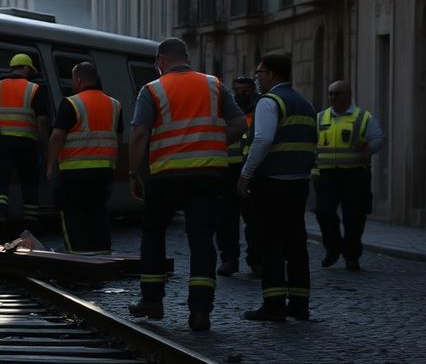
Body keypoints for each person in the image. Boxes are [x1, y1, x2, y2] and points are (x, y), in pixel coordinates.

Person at [126, 38, 246, 332]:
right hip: (208, 175)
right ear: (186, 57)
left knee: (153, 234)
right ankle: (201, 311)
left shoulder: (152, 89)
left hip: (166, 175)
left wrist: (133, 172)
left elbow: (140, 134)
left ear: (161, 61)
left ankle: (152, 300)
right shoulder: (213, 85)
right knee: (202, 240)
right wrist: (215, 143)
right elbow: (241, 124)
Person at [237, 54, 318, 321]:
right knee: (296, 243)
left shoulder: (269, 102)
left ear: (272, 74)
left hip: (271, 182)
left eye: (259, 72)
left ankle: (273, 305)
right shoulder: (305, 104)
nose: (257, 77)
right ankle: (299, 304)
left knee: (269, 242)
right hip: (298, 183)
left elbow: (262, 140)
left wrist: (245, 175)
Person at [45, 62, 122, 254]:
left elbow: (56, 137)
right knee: (99, 211)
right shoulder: (115, 105)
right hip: (104, 171)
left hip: (74, 171)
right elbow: (118, 138)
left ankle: (78, 256)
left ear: (78, 79)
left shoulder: (71, 103)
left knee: (73, 214)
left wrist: (50, 165)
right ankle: (103, 253)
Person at [0, 53, 52, 239]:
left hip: (1, 142)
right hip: (26, 143)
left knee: (0, 181)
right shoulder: (34, 89)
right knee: (28, 181)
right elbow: (42, 121)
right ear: (26, 69)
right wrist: (45, 146)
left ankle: (1, 217)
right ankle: (31, 221)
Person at [313, 80, 386, 271]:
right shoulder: (320, 118)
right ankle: (333, 249)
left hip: (355, 174)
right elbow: (311, 142)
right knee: (324, 213)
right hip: (326, 174)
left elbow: (378, 138)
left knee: (354, 217)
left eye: (337, 94)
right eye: (330, 94)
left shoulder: (362, 117)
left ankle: (351, 256)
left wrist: (368, 150)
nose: (333, 97)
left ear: (348, 95)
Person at [216, 76, 259, 276]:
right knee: (226, 218)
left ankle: (256, 260)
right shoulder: (224, 110)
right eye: (239, 90)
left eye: (247, 90)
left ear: (253, 90)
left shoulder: (261, 108)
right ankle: (229, 259)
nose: (243, 93)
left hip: (252, 171)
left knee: (255, 218)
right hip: (227, 170)